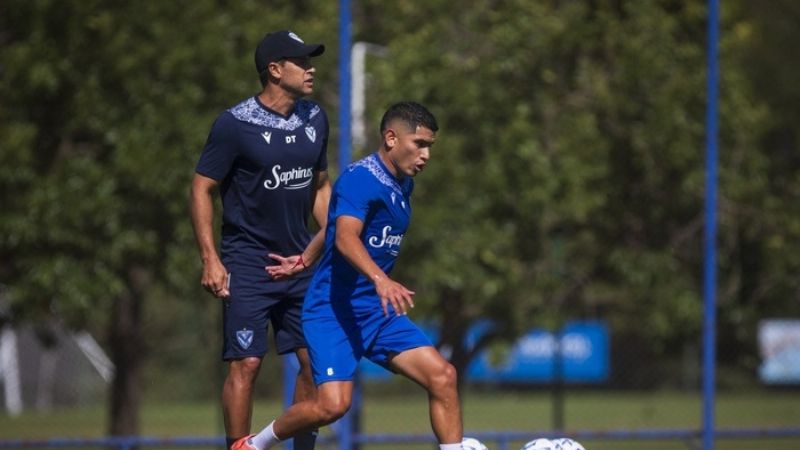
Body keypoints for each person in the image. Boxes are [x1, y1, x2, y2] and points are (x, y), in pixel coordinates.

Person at [232, 102, 464, 450]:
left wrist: (305, 260)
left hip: (376, 312)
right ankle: (253, 445)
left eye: (430, 146)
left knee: (443, 376)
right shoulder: (360, 180)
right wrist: (380, 279)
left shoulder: (403, 184)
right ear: (391, 138)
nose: (426, 154)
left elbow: (333, 224)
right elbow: (344, 236)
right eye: (420, 144)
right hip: (333, 312)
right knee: (333, 405)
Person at [190, 30, 331, 450]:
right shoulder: (233, 125)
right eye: (302, 62)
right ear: (274, 70)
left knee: (315, 365)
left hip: (301, 262)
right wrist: (210, 259)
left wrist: (332, 234)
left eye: (312, 61)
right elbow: (201, 188)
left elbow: (321, 187)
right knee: (247, 364)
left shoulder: (315, 119)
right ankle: (238, 446)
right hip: (248, 261)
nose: (311, 69)